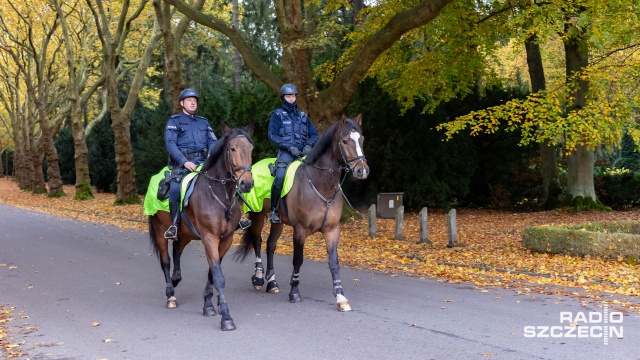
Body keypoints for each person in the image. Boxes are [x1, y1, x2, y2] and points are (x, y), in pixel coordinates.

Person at [163, 88, 217, 239]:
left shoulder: (204, 122)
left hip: (203, 162)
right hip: (182, 164)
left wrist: (211, 154)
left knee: (224, 179)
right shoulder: (174, 121)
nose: (193, 102)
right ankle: (174, 225)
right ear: (182, 103)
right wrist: (184, 162)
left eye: (195, 100)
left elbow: (213, 141)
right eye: (189, 100)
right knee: (175, 189)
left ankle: (233, 218)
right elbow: (170, 145)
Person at [267, 84, 318, 223]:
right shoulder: (277, 115)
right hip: (287, 153)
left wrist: (308, 145)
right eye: (288, 96)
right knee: (280, 176)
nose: (291, 98)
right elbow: (272, 135)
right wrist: (289, 146)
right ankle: (273, 210)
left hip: (304, 152)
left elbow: (314, 134)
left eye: (293, 96)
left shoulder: (303, 116)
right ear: (283, 98)